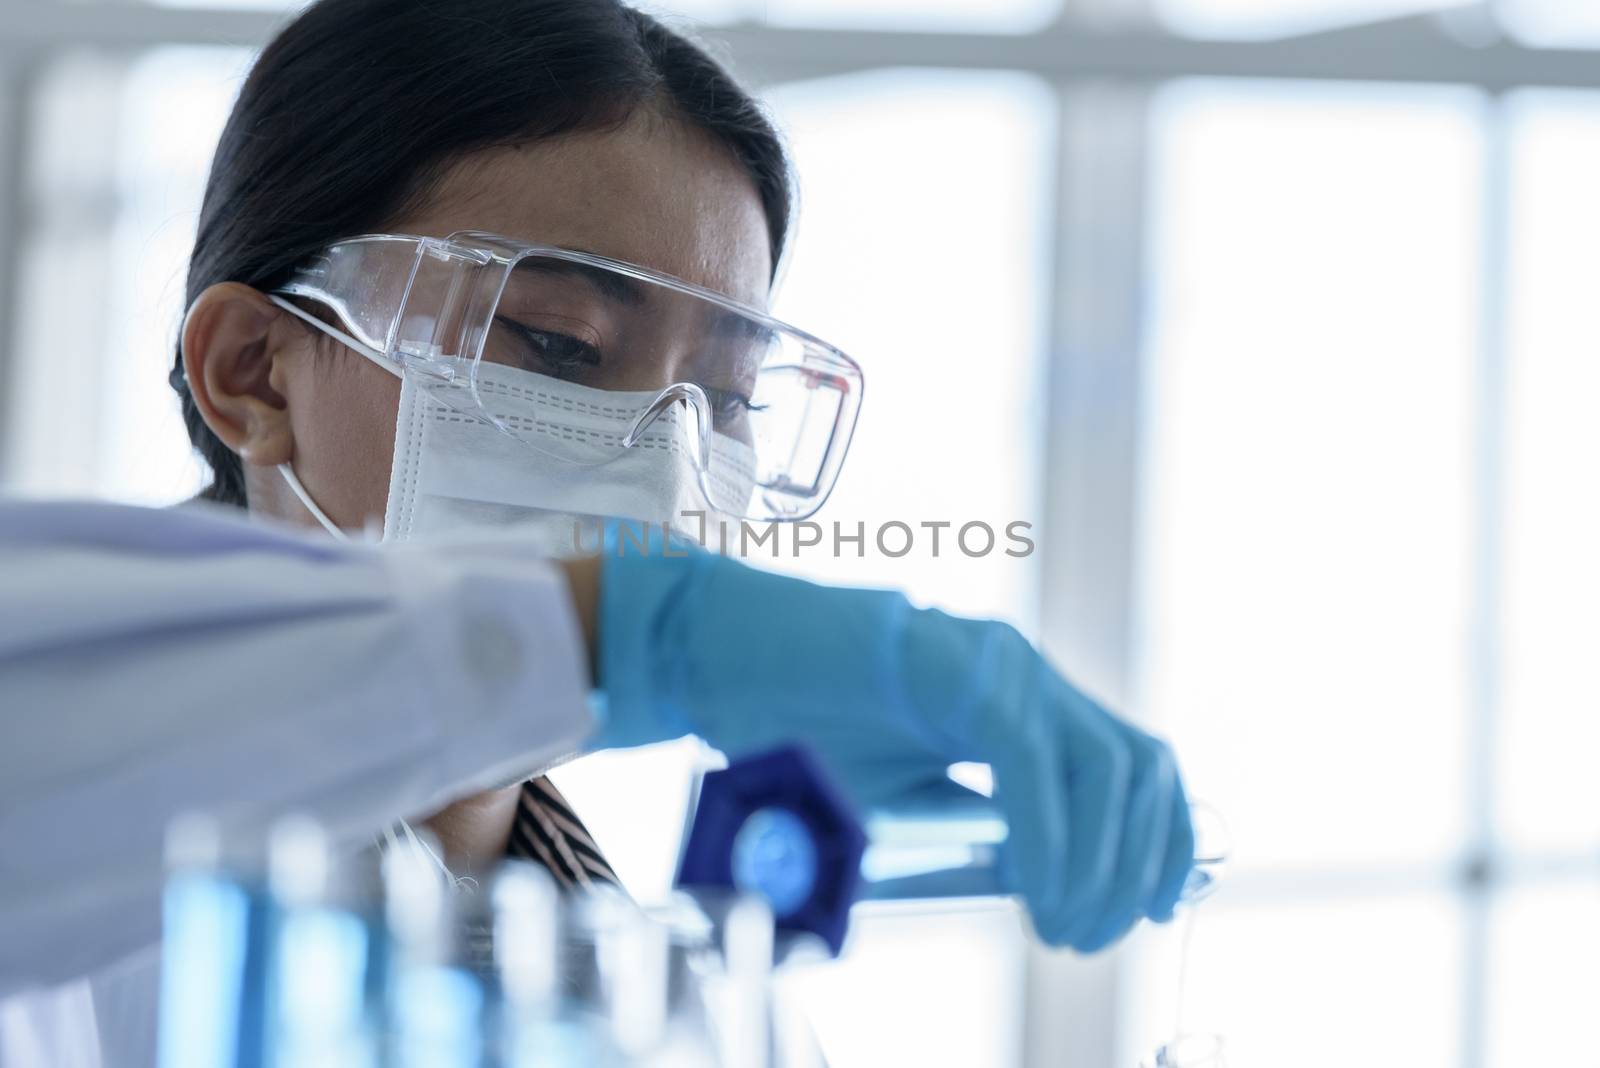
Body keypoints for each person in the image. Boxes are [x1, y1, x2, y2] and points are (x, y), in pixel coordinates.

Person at [0, 1, 1194, 1065]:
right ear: (252, 371)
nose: (666, 454)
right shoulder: (79, 845)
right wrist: (642, 634)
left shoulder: (695, 1017)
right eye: (557, 342)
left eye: (727, 399)